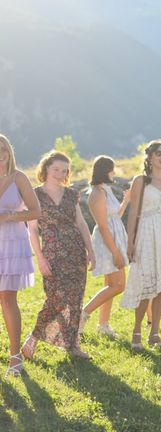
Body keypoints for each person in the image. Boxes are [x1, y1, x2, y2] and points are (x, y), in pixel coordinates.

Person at [23, 151, 95, 360]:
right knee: (55, 299)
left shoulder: (72, 194)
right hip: (52, 253)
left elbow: (81, 224)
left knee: (75, 299)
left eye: (64, 170)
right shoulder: (35, 194)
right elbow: (33, 230)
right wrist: (40, 258)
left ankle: (72, 345)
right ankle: (33, 338)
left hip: (76, 250)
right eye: (56, 169)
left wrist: (90, 250)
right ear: (45, 168)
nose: (60, 174)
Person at [121, 141, 161, 350]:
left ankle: (154, 333)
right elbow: (133, 213)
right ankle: (137, 330)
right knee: (147, 285)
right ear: (150, 157)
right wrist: (130, 242)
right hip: (146, 234)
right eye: (159, 153)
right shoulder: (140, 181)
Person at [0, 134, 40, 376]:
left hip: (11, 243)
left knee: (6, 298)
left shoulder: (19, 178)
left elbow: (36, 211)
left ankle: (15, 357)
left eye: (4, 148)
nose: (1, 151)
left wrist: (10, 216)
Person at [79, 156, 129, 338]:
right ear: (104, 171)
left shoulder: (105, 190)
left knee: (110, 284)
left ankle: (103, 325)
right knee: (118, 285)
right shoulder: (97, 194)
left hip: (115, 237)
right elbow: (102, 225)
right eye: (111, 169)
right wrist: (115, 252)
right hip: (108, 241)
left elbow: (115, 215)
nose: (114, 173)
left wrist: (126, 200)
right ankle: (83, 315)